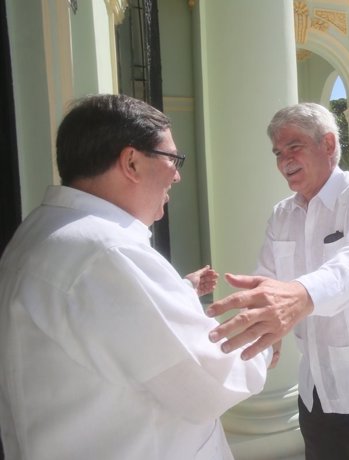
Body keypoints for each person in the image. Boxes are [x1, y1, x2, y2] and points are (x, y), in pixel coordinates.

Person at [0, 94, 276, 460]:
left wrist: (181, 291)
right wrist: (267, 327)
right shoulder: (108, 253)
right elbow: (211, 383)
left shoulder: (39, 231)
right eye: (172, 160)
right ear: (131, 162)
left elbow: (114, 331)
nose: (177, 175)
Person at [205, 102, 349, 459]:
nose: (283, 161)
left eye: (294, 147)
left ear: (327, 144)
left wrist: (301, 294)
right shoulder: (282, 214)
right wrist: (267, 324)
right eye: (278, 152)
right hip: (317, 395)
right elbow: (268, 277)